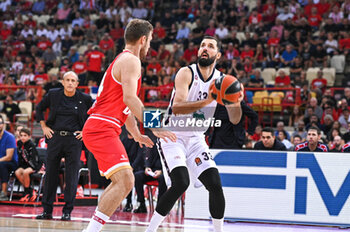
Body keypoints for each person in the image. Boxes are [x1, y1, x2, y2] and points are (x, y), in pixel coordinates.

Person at [82, 19, 176, 232]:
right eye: (150, 41)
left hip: (104, 126)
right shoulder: (132, 61)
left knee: (120, 182)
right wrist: (155, 126)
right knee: (126, 181)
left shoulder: (121, 60)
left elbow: (125, 109)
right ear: (143, 40)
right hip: (101, 127)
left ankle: (92, 229)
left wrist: (136, 133)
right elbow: (130, 100)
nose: (150, 46)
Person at [146, 36, 244, 232]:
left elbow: (235, 119)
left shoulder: (223, 81)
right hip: (173, 136)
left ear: (218, 55)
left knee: (215, 184)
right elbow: (177, 107)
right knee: (181, 183)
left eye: (210, 46)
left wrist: (235, 102)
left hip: (197, 139)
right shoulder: (186, 72)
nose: (205, 49)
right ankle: (150, 229)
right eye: (202, 46)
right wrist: (209, 99)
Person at [35, 71, 93, 221]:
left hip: (74, 140)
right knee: (50, 176)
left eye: (73, 80)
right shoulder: (53, 94)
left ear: (77, 84)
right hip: (55, 138)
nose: (70, 83)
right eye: (67, 80)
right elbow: (39, 108)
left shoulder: (84, 98)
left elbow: (95, 114)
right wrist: (44, 127)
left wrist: (86, 131)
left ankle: (67, 211)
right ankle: (47, 211)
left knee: (72, 176)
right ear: (62, 82)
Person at [133, 137, 167, 213]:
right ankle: (141, 204)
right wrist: (147, 167)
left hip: (164, 172)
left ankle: (160, 207)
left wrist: (162, 171)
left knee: (163, 178)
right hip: (153, 170)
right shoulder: (154, 143)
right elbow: (148, 156)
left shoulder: (171, 146)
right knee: (138, 176)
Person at [15, 127, 42, 202]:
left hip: (34, 165)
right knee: (17, 172)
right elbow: (20, 156)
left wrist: (36, 168)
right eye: (21, 135)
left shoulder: (31, 145)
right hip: (25, 164)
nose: (23, 137)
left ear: (29, 136)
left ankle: (26, 192)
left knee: (25, 172)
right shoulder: (19, 143)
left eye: (25, 135)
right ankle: (30, 190)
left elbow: (34, 159)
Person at [0, 115, 18, 201]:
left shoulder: (9, 137)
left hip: (12, 163)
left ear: (3, 124)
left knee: (2, 165)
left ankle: (4, 193)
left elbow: (9, 157)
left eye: (0, 123)